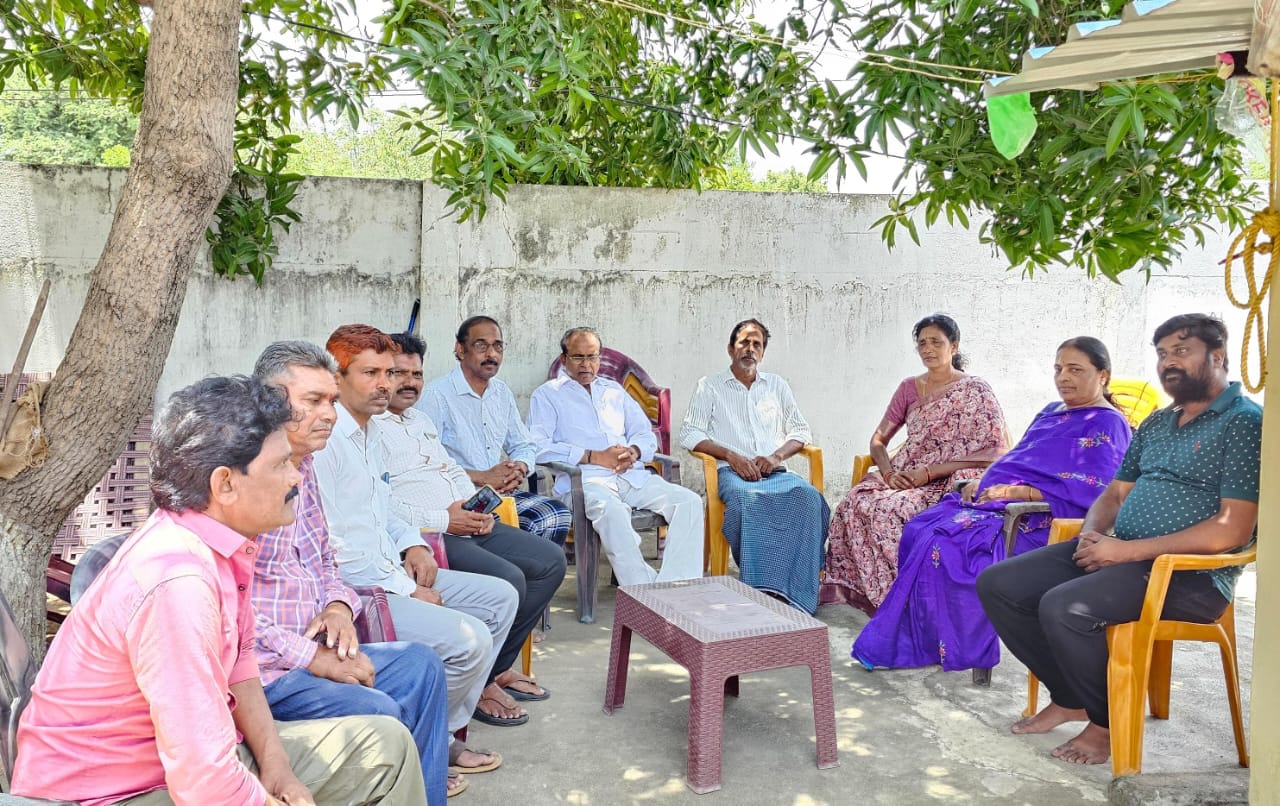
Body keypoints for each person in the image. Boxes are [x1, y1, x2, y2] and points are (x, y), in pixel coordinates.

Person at [11, 376, 425, 805]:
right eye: (281, 464)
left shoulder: (217, 545)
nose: (296, 478)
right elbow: (203, 780)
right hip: (112, 793)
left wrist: (279, 768)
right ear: (225, 484)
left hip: (177, 764)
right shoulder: (180, 584)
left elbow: (240, 667)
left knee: (386, 745)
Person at [978, 314, 1262, 766]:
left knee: (1066, 606)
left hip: (1190, 576)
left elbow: (1233, 529)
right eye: (1162, 353)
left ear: (1218, 355)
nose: (1168, 362)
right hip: (1122, 555)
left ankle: (1107, 723)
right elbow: (1114, 494)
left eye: (1181, 351)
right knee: (1000, 584)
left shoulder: (1244, 423)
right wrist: (1092, 535)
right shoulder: (1158, 423)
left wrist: (1126, 551)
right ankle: (1072, 697)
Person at [250, 341, 462, 801]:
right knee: (380, 712)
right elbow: (231, 611)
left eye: (330, 400)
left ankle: (425, 796)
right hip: (267, 671)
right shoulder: (247, 482)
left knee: (421, 664)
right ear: (269, 402)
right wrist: (312, 658)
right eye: (313, 401)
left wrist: (338, 607)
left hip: (318, 643)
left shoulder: (303, 467)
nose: (328, 414)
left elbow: (325, 560)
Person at [852, 337, 1131, 673]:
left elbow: (1097, 490)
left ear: (1103, 375)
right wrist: (983, 482)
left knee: (949, 544)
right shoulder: (1051, 412)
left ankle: (953, 647)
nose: (1063, 377)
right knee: (918, 527)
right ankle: (927, 640)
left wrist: (1017, 493)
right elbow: (1018, 457)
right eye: (1058, 369)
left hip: (1041, 521)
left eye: (1075, 370)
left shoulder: (1108, 423)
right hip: (996, 505)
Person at [310, 325, 523, 739]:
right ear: (337, 377)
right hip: (359, 589)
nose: (385, 385)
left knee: (501, 598)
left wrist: (412, 543)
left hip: (394, 565)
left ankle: (442, 729)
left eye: (388, 373)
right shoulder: (329, 442)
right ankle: (425, 737)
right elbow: (336, 548)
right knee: (472, 640)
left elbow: (385, 506)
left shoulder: (371, 432)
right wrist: (407, 590)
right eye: (371, 373)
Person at [383, 331, 565, 717]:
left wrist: (472, 504)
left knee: (551, 561)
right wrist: (446, 518)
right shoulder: (370, 428)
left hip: (465, 519)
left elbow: (449, 468)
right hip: (428, 535)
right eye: (399, 373)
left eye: (416, 374)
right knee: (510, 579)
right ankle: (480, 685)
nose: (410, 382)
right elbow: (381, 505)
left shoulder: (419, 420)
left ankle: (493, 671)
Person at [822, 313, 1007, 612]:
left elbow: (994, 450)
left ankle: (913, 601)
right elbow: (878, 440)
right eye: (922, 343)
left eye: (936, 342)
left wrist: (930, 472)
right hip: (908, 474)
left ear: (954, 346)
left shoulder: (976, 390)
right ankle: (879, 596)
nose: (928, 349)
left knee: (895, 511)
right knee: (854, 504)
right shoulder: (909, 388)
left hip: (949, 478)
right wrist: (888, 473)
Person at [528, 326, 704, 585]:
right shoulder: (547, 395)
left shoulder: (614, 391)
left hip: (630, 476)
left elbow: (644, 434)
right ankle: (642, 589)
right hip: (584, 483)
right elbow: (537, 446)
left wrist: (634, 451)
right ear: (564, 359)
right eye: (578, 357)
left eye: (592, 357)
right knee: (612, 512)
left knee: (688, 502)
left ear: (599, 358)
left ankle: (677, 586)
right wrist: (593, 456)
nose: (586, 364)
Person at [679, 318, 830, 613]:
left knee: (809, 499)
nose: (750, 349)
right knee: (747, 502)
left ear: (763, 352)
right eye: (744, 343)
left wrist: (776, 457)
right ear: (730, 348)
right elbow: (690, 434)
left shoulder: (777, 385)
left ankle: (797, 588)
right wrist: (731, 456)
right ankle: (760, 589)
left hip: (774, 472)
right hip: (732, 474)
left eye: (757, 344)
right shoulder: (709, 386)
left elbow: (801, 431)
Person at [420, 315, 573, 550]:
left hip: (497, 495)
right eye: (481, 346)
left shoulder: (501, 392)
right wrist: (482, 476)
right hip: (458, 499)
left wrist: (519, 468)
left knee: (555, 515)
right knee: (534, 523)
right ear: (460, 349)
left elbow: (524, 444)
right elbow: (425, 463)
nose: (491, 354)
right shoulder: (436, 396)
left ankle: (526, 572)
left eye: (498, 346)